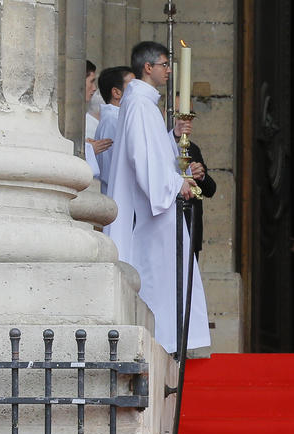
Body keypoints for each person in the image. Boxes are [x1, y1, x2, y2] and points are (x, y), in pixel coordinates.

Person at [105, 41, 210, 355]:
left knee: (166, 273)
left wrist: (173, 135)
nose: (169, 70)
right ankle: (162, 342)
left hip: (158, 206)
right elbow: (142, 158)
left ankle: (169, 340)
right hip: (153, 212)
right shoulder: (138, 103)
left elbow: (154, 151)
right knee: (156, 275)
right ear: (147, 67)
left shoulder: (143, 104)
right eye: (164, 64)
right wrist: (174, 185)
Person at [94, 66, 134, 195]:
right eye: (132, 85)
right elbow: (112, 168)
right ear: (116, 93)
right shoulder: (112, 120)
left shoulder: (120, 118)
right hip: (119, 196)